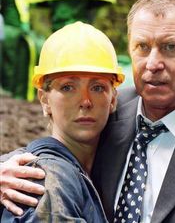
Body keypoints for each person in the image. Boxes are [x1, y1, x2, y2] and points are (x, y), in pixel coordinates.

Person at [1, 0, 175, 222]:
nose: (153, 63)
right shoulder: (107, 110)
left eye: (170, 47)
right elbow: (57, 148)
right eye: (143, 47)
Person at [0, 21, 124, 222]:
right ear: (44, 100)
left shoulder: (95, 169)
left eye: (98, 87)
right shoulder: (50, 181)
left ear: (113, 99)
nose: (85, 101)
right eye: (68, 87)